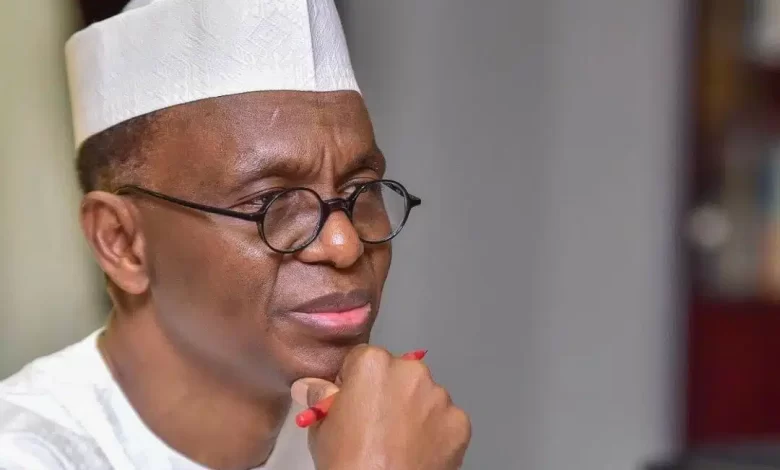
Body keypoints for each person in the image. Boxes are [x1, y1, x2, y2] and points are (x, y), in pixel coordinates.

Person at [0, 0, 471, 469]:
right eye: (271, 202)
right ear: (121, 241)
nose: (344, 245)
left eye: (361, 190)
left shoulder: (373, 427)